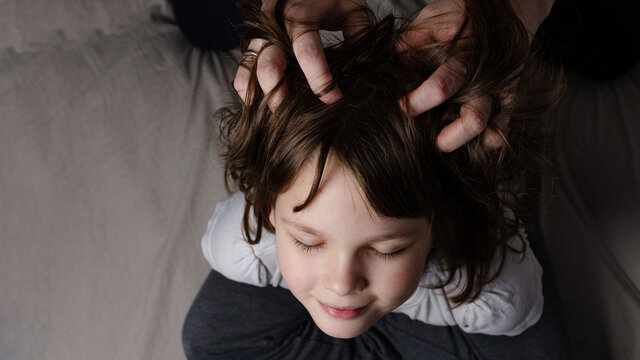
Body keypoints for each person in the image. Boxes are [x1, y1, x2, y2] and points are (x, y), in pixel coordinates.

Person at [181, 0, 568, 358]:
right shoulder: (238, 247)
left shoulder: (496, 295)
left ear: (440, 225)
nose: (342, 283)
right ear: (269, 213)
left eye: (387, 249)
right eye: (307, 240)